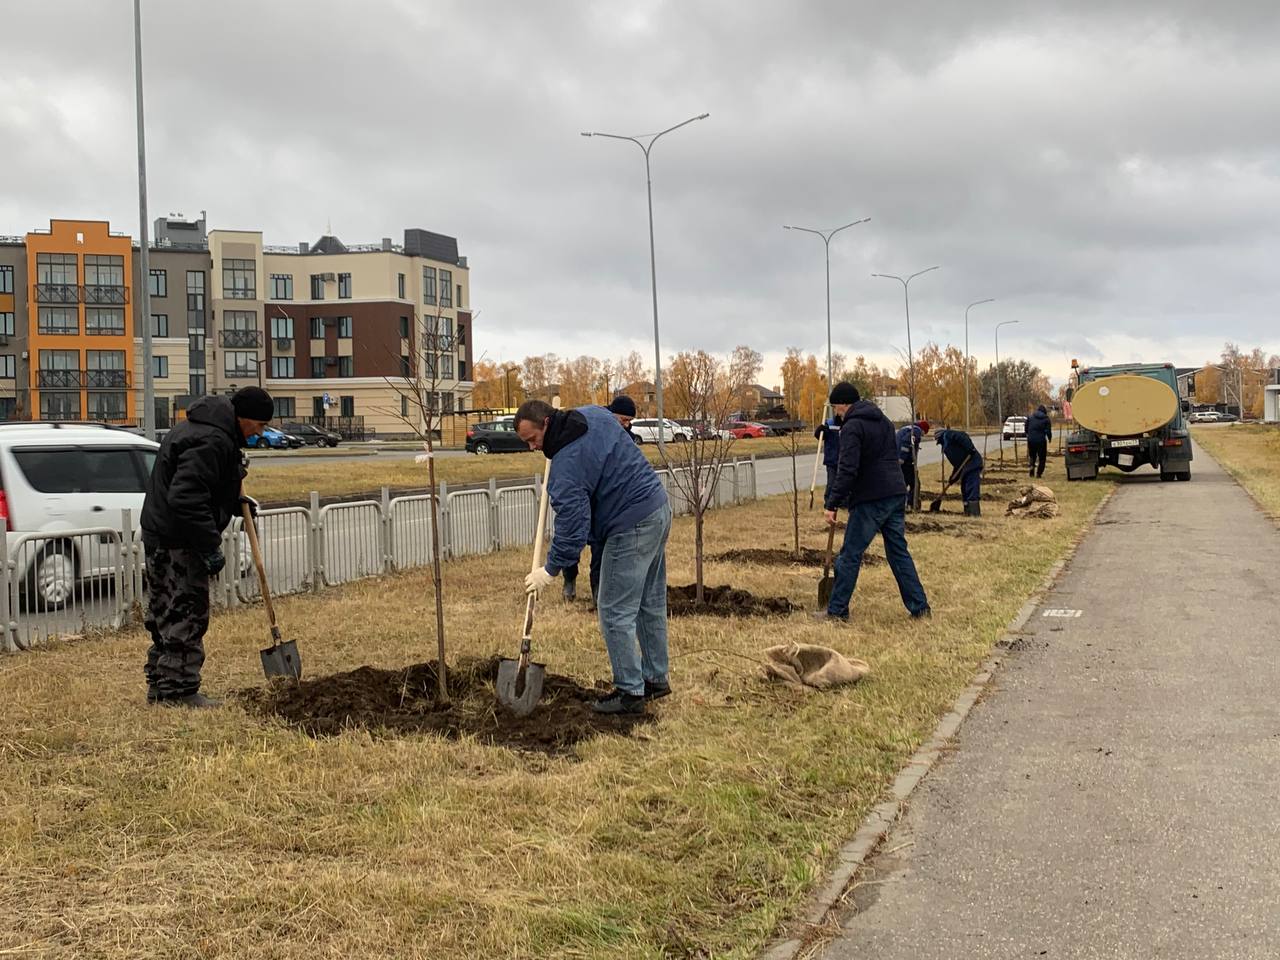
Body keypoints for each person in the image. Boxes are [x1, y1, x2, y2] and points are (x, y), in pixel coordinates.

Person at [516, 399, 671, 715]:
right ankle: (655, 678)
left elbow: (573, 527)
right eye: (527, 443)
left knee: (614, 610)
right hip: (657, 508)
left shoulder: (566, 467)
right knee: (648, 603)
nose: (533, 448)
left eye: (533, 439)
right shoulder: (594, 414)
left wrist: (550, 570)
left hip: (630, 525)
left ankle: (630, 692)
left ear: (547, 423)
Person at [140, 387, 274, 707]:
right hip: (180, 541)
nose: (260, 433)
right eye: (259, 425)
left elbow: (201, 486)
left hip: (160, 534)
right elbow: (186, 497)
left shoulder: (200, 430)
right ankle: (179, 691)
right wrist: (209, 545)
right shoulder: (213, 441)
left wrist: (232, 498)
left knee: (164, 612)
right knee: (187, 612)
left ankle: (161, 685)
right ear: (242, 418)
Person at [818, 383, 930, 622]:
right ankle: (920, 608)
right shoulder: (885, 422)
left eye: (836, 406)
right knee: (898, 552)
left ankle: (836, 611)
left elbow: (847, 469)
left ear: (845, 404)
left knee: (850, 554)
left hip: (871, 498)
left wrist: (832, 503)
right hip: (896, 493)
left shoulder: (851, 427)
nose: (836, 412)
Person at [563, 395, 639, 603]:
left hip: (606, 500)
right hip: (583, 495)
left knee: (600, 548)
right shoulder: (591, 428)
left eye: (629, 421)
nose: (626, 425)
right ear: (612, 414)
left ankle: (598, 590)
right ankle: (569, 581)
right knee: (572, 541)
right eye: (623, 419)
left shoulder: (627, 439)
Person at [935, 427, 984, 516]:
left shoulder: (948, 435)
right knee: (964, 489)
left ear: (940, 437)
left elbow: (962, 436)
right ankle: (967, 511)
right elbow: (958, 465)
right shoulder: (948, 446)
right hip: (965, 467)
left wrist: (970, 448)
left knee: (971, 487)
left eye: (938, 440)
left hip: (972, 463)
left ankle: (974, 512)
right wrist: (952, 478)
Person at [895, 419, 931, 510]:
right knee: (915, 483)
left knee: (904, 483)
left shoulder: (907, 428)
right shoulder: (916, 431)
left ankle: (902, 504)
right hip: (904, 461)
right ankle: (911, 504)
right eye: (924, 432)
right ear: (923, 429)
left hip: (898, 459)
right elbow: (906, 443)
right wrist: (902, 458)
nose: (922, 435)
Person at [814, 412, 841, 492]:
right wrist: (820, 430)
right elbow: (819, 436)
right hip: (831, 460)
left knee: (843, 485)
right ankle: (829, 503)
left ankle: (844, 503)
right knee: (831, 484)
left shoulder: (849, 423)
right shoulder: (829, 423)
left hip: (845, 461)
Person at [1026, 404, 1052, 478]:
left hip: (1031, 440)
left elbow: (1026, 426)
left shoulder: (1030, 417)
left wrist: (1028, 434)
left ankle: (1031, 467)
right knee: (1042, 458)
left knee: (1032, 456)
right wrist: (1049, 438)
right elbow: (1048, 431)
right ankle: (1039, 473)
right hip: (1041, 441)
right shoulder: (1046, 419)